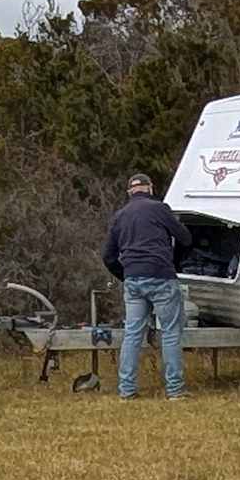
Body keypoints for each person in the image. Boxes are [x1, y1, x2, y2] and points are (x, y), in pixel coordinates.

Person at [102, 171, 190, 399]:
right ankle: (175, 391)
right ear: (150, 188)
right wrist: (174, 261)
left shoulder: (119, 216)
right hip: (161, 277)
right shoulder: (160, 209)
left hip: (133, 280)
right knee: (170, 333)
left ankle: (127, 391)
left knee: (132, 335)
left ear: (130, 192)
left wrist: (126, 275)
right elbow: (186, 238)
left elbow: (108, 256)